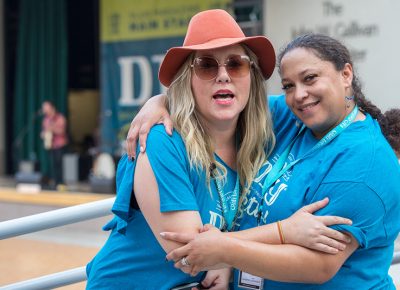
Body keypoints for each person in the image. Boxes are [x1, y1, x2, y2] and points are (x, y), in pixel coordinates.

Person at [86, 11, 350, 290]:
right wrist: (285, 232)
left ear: (251, 75)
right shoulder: (162, 141)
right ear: (187, 79)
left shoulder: (268, 122)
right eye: (206, 66)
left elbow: (333, 106)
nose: (223, 75)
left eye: (236, 64)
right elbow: (192, 255)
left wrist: (228, 259)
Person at [126, 33, 400, 289]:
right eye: (288, 85)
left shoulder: (365, 162)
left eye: (311, 78)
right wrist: (160, 102)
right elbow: (222, 104)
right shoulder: (291, 118)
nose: (299, 94)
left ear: (346, 74)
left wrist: (224, 251)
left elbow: (320, 265)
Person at [40, 100, 68, 188]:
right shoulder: (46, 119)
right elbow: (43, 131)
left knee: (58, 164)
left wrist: (52, 129)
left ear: (52, 108)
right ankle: (52, 182)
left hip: (59, 145)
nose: (44, 109)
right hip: (50, 145)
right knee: (51, 164)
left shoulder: (60, 118)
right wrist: (43, 134)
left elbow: (62, 131)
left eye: (46, 107)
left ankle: (60, 183)